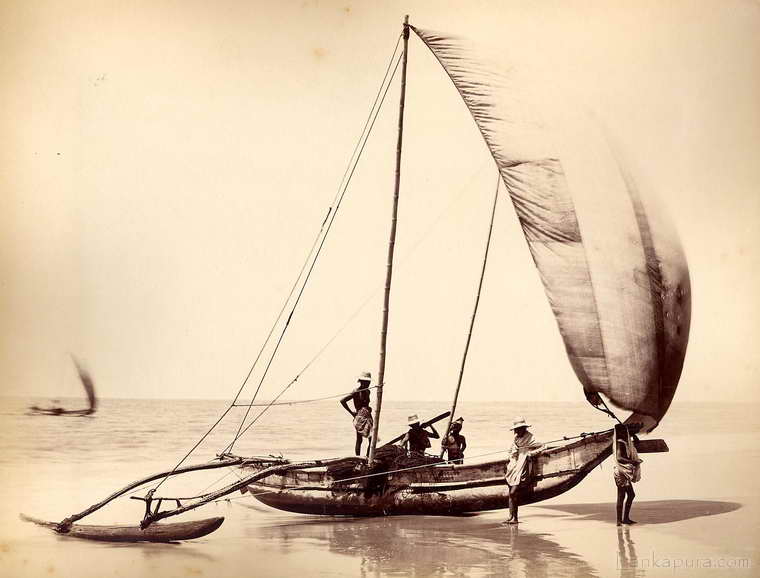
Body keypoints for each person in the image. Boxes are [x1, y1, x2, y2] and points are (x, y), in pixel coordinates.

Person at [503, 417, 542, 525]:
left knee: (513, 492)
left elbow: (543, 446)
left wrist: (531, 454)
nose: (517, 431)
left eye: (519, 428)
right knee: (510, 493)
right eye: (516, 429)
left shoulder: (530, 437)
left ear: (524, 428)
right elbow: (511, 450)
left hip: (523, 465)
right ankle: (511, 517)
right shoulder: (516, 438)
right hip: (513, 466)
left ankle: (515, 518)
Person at [613, 423, 643, 525]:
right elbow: (619, 457)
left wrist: (634, 435)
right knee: (624, 495)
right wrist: (632, 462)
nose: (626, 433)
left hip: (623, 471)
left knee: (628, 495)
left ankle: (624, 519)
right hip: (621, 472)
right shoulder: (620, 442)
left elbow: (637, 443)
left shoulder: (626, 442)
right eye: (625, 431)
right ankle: (620, 520)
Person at [340, 371, 373, 456]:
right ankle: (358, 459)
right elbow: (342, 401)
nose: (368, 384)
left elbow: (366, 404)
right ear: (361, 381)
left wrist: (368, 408)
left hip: (368, 416)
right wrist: (352, 413)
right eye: (366, 382)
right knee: (359, 440)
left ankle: (367, 457)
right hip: (360, 417)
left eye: (369, 382)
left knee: (372, 438)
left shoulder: (368, 391)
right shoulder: (356, 391)